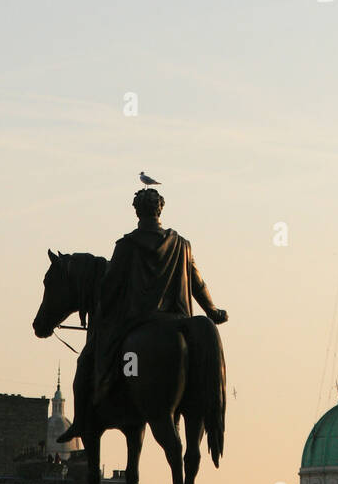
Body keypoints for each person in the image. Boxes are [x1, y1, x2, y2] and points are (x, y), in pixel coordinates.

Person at [57, 187, 226, 441]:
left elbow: (110, 287)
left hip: (137, 321)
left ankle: (83, 418)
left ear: (137, 212)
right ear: (160, 210)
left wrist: (101, 310)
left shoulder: (127, 245)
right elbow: (197, 282)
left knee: (87, 361)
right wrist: (212, 310)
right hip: (179, 320)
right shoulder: (181, 245)